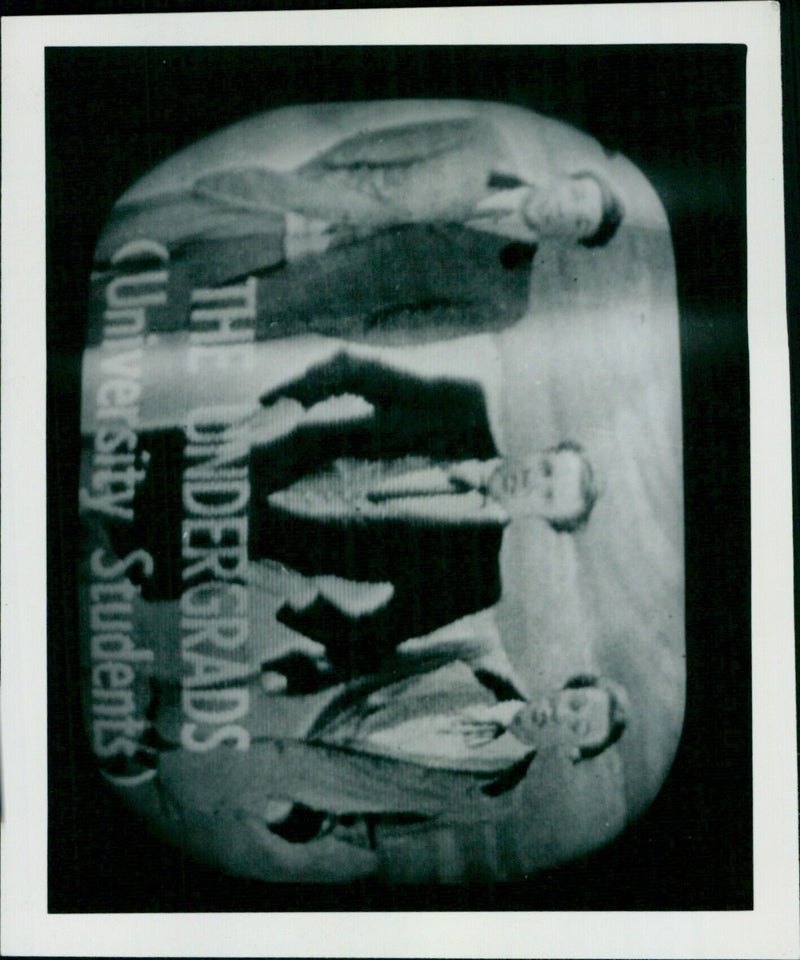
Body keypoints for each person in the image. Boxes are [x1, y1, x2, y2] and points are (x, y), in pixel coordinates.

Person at [91, 118, 624, 347]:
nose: (565, 210)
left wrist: (322, 312)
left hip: (290, 290)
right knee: (129, 231)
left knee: (131, 311)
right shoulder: (482, 141)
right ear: (563, 178)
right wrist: (305, 188)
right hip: (279, 209)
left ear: (569, 241)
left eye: (579, 223)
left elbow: (402, 333)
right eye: (577, 195)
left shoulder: (506, 301)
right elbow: (365, 146)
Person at [247, 351, 599, 674]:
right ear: (541, 452)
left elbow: (367, 646)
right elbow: (353, 369)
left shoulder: (474, 580)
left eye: (548, 496)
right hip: (253, 456)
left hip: (255, 554)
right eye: (547, 469)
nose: (532, 482)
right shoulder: (462, 407)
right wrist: (294, 401)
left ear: (546, 520)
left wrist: (302, 596)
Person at [140, 618, 630, 846]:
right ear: (566, 689)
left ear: (571, 753)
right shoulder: (477, 660)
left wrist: (314, 822)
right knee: (166, 712)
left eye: (579, 728)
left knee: (166, 787)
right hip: (311, 706)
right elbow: (382, 653)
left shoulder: (495, 797)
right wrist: (299, 673)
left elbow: (399, 826)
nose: (564, 717)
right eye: (576, 704)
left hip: (298, 783)